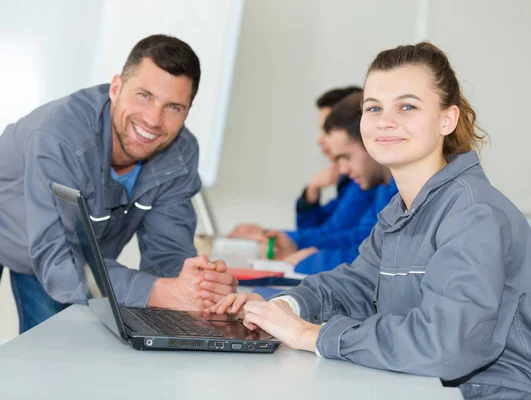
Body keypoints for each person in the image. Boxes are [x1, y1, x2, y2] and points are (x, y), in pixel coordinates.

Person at [209, 42, 531, 399]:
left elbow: (444, 346)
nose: (385, 121)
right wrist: (285, 307)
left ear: (447, 119)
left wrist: (308, 335)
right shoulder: (402, 210)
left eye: (407, 106)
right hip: (425, 387)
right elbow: (357, 284)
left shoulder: (474, 213)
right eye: (373, 107)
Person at [0, 34, 237, 333]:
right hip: (43, 245)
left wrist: (197, 288)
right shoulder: (59, 137)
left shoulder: (180, 153)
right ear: (116, 88)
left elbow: (168, 253)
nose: (153, 119)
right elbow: (59, 263)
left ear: (187, 112)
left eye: (173, 107)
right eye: (145, 95)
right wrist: (160, 292)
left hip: (61, 254)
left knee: (59, 353)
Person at [264, 92, 396, 269]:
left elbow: (382, 258)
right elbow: (361, 237)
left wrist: (312, 259)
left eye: (346, 157)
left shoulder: (402, 188)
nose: (342, 169)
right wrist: (296, 244)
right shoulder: (384, 186)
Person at [228, 86, 376, 244]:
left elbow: (337, 234)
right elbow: (318, 228)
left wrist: (272, 237)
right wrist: (311, 192)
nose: (319, 140)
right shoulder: (351, 180)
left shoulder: (367, 181)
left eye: (327, 131)